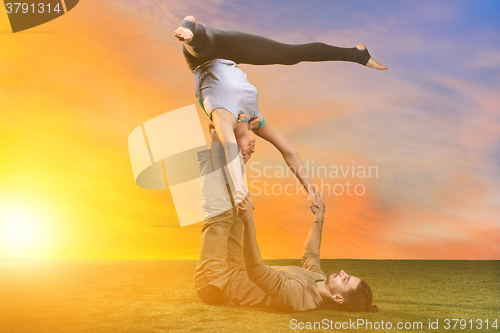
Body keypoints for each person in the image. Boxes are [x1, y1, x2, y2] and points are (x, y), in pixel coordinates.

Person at [174, 16, 387, 207]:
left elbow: (229, 150)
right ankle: (357, 54)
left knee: (199, 44)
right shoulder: (256, 121)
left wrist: (240, 188)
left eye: (244, 154)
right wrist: (310, 189)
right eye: (249, 157)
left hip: (201, 58)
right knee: (290, 55)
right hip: (231, 53)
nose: (250, 152)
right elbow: (289, 152)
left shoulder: (222, 117)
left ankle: (188, 26)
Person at [194, 179, 378, 312]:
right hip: (235, 268)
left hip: (217, 283)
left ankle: (215, 139)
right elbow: (310, 255)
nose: (343, 273)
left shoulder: (297, 298)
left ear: (339, 298)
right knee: (233, 203)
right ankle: (221, 144)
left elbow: (256, 271)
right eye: (348, 275)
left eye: (345, 280)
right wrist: (319, 216)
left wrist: (249, 220)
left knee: (219, 216)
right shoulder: (318, 278)